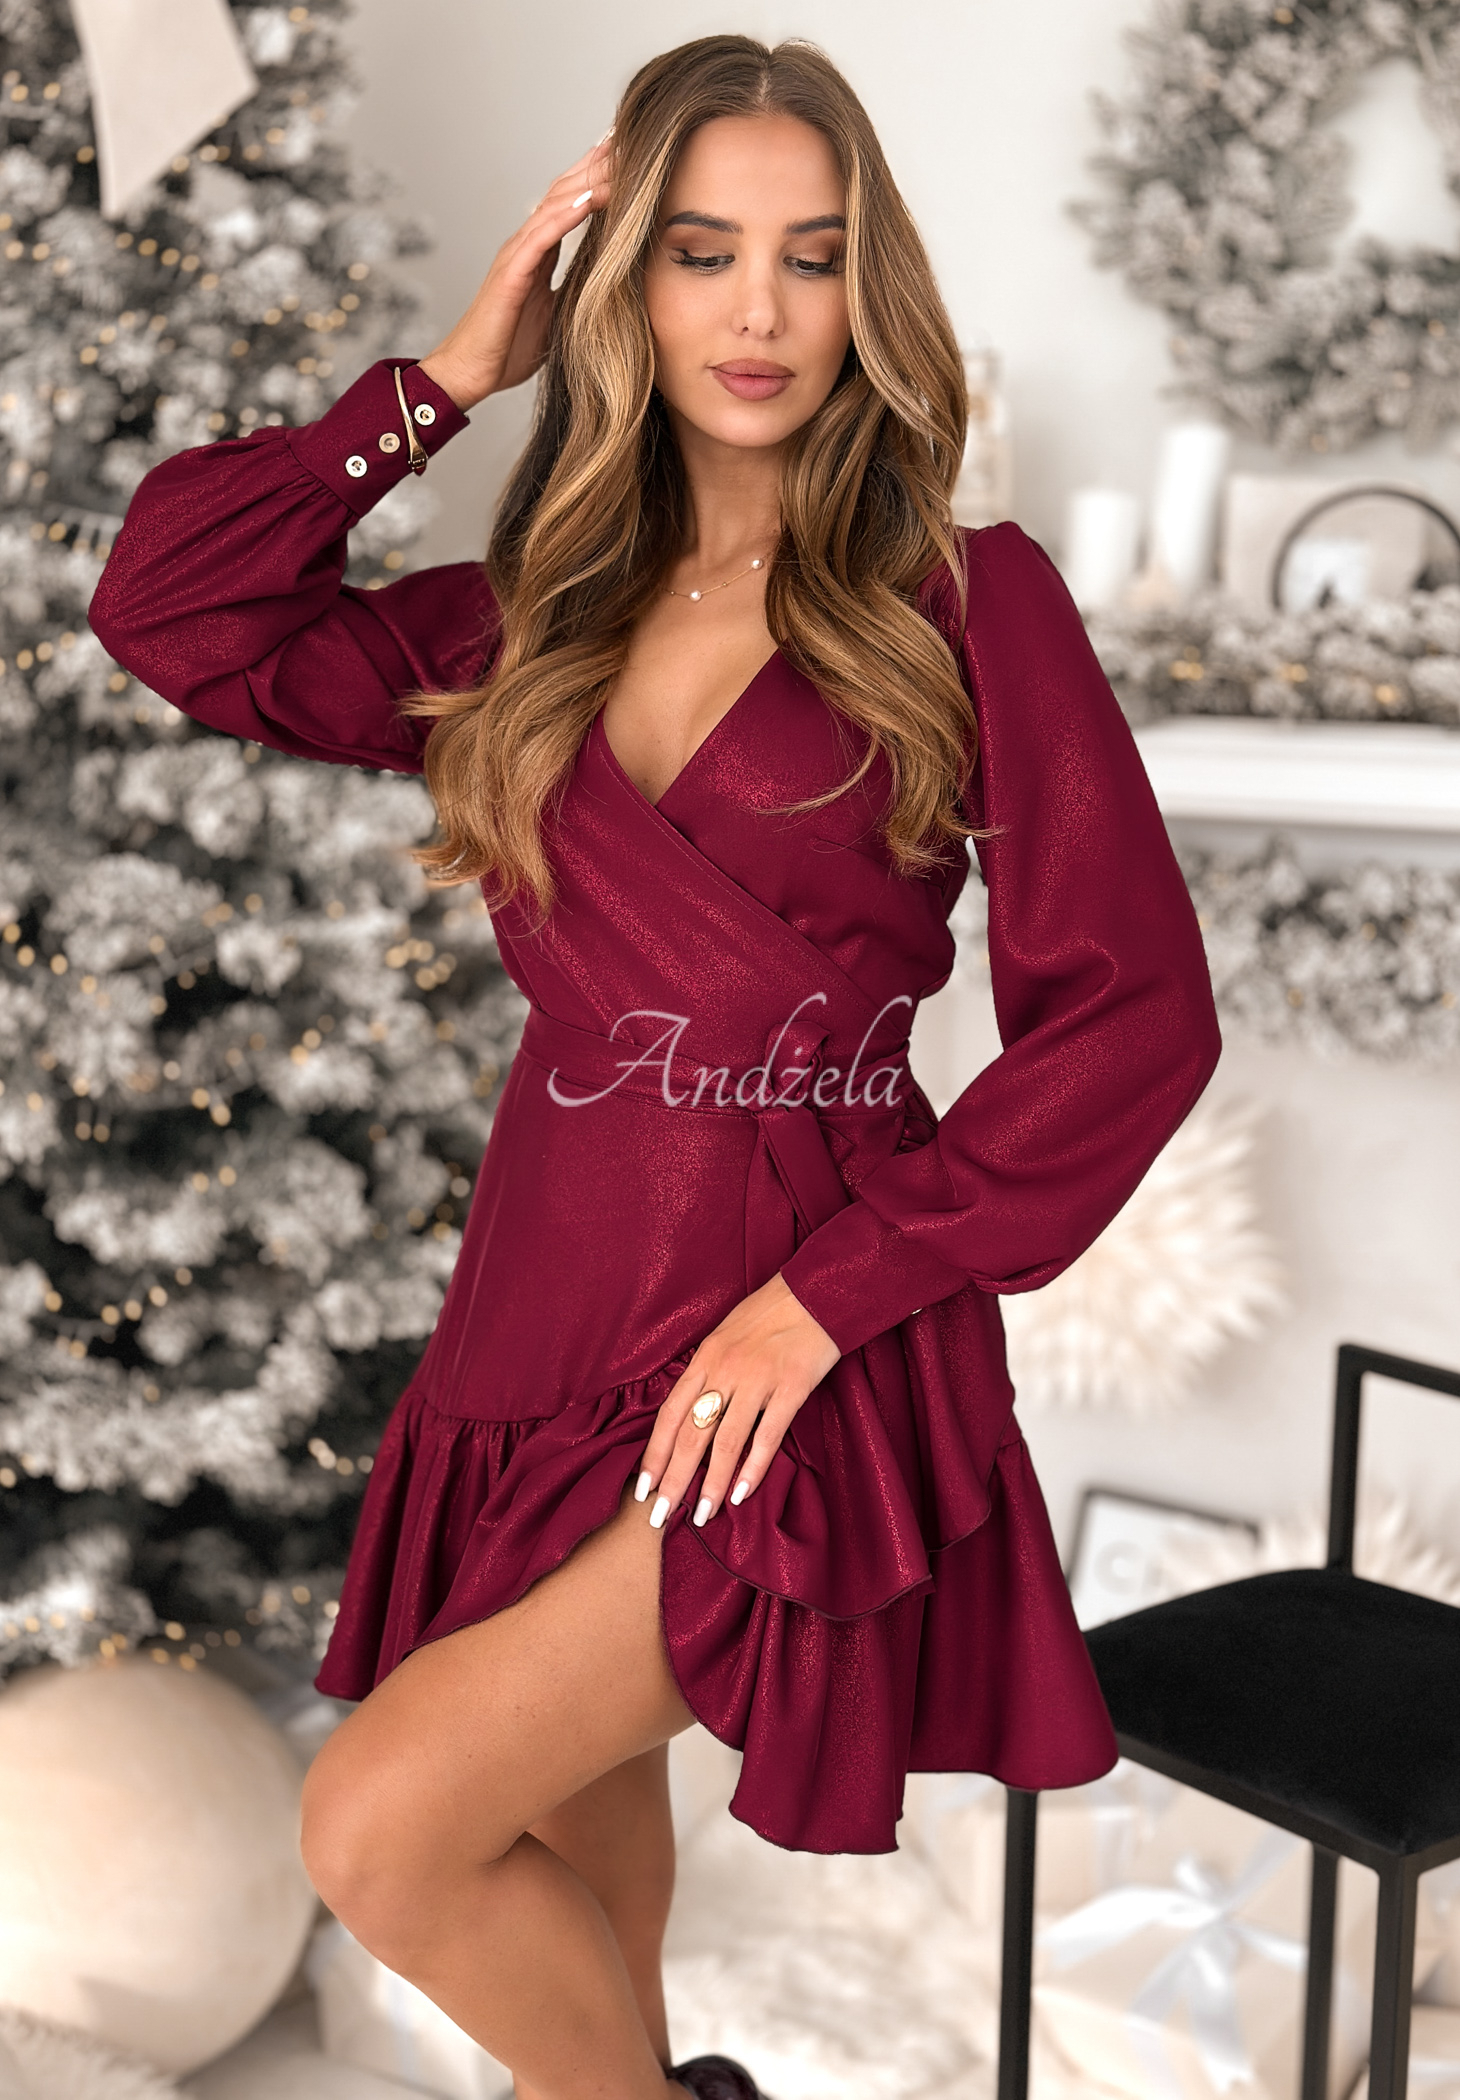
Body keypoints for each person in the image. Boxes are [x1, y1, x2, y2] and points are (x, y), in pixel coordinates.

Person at [89, 32, 1222, 2100]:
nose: (758, 309)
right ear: (621, 282)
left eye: (811, 253)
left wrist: (828, 1303)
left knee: (381, 1830)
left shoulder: (966, 604)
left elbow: (1135, 1009)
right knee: (580, 1874)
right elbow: (173, 610)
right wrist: (447, 377)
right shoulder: (524, 624)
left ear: (868, 285)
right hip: (540, 1315)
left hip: (792, 1333)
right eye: (702, 251)